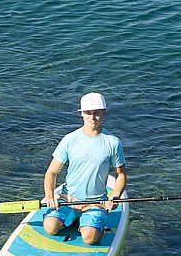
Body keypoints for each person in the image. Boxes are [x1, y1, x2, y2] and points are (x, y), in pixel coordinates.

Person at [42, 92, 128, 245]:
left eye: (96, 113)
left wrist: (115, 197)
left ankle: (88, 223)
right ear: (81, 113)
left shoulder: (113, 143)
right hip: (68, 199)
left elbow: (120, 174)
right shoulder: (70, 139)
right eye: (88, 113)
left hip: (96, 202)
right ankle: (76, 219)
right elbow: (52, 172)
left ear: (104, 113)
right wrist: (50, 196)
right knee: (50, 228)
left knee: (90, 239)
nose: (92, 117)